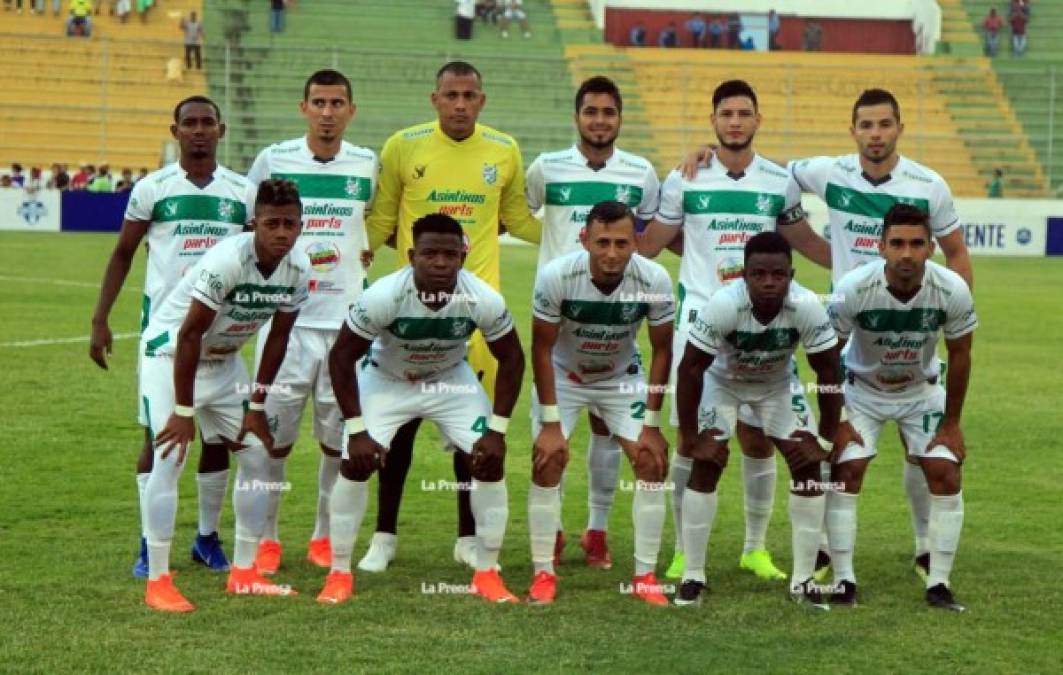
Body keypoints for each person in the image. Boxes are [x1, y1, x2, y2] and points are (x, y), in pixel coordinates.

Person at [639, 80, 831, 583]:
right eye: (727, 113)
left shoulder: (779, 180)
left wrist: (858, 262)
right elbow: (653, 243)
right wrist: (600, 245)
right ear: (713, 121)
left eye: (745, 113)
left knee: (760, 437)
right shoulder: (686, 177)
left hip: (762, 319)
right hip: (702, 318)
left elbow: (804, 240)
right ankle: (685, 553)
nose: (736, 122)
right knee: (693, 439)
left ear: (758, 120)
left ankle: (755, 548)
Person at [362, 61, 541, 572]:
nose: (460, 103)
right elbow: (380, 218)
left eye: (469, 95)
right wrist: (340, 255)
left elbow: (519, 221)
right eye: (451, 94)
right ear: (434, 98)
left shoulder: (504, 150)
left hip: (474, 315)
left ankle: (468, 536)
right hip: (407, 312)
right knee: (396, 436)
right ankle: (384, 536)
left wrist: (576, 232)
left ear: (482, 100)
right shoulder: (403, 145)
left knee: (474, 437)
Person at [318, 213, 526, 605]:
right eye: (430, 254)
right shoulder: (384, 295)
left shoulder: (481, 297)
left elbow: (513, 358)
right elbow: (342, 357)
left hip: (449, 379)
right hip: (387, 380)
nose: (441, 263)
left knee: (489, 459)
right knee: (354, 462)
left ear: (463, 257)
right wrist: (358, 429)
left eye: (450, 254)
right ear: (412, 255)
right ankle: (339, 572)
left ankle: (487, 572)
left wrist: (497, 430)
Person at [90, 96, 252, 580]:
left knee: (220, 437)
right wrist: (100, 320)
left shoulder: (242, 192)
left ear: (220, 130)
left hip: (220, 338)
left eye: (207, 123)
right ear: (175, 131)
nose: (199, 131)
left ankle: (206, 537)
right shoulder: (152, 188)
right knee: (158, 435)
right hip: (163, 335)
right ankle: (149, 541)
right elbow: (123, 253)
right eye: (190, 124)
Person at [139, 179, 311, 611]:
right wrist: (183, 410)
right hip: (171, 355)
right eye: (272, 223)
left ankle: (245, 572)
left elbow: (277, 340)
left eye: (289, 224)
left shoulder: (299, 268)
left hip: (224, 361)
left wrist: (256, 407)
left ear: (301, 225)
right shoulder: (228, 259)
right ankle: (158, 579)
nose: (281, 233)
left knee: (256, 456)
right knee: (169, 456)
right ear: (254, 223)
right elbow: (189, 331)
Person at [245, 69, 378, 576]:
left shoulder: (367, 164)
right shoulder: (273, 160)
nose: (327, 111)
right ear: (303, 108)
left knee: (335, 440)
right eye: (319, 102)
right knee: (272, 440)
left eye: (337, 102)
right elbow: (248, 227)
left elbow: (371, 221)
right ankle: (267, 538)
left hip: (345, 329)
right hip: (285, 324)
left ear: (351, 109)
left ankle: (323, 536)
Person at [525, 75, 660, 568]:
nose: (599, 120)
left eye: (608, 112)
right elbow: (524, 213)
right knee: (552, 437)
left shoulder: (642, 173)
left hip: (613, 323)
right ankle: (554, 531)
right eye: (591, 112)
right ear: (576, 117)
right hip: (559, 318)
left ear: (619, 119)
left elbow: (651, 229)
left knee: (608, 429)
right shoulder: (547, 167)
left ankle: (597, 531)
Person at [674, 231, 842, 608]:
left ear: (791, 273)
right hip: (724, 384)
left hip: (778, 386)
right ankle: (693, 576)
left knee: (808, 465)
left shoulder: (808, 306)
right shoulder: (723, 305)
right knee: (706, 461)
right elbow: (689, 371)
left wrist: (826, 441)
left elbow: (830, 374)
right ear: (744, 276)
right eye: (759, 274)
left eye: (778, 275)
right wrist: (691, 437)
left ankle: (803, 582)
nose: (769, 283)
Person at [826, 204, 976, 612]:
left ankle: (939, 583)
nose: (906, 254)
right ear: (881, 247)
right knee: (846, 468)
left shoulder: (951, 289)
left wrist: (952, 424)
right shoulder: (853, 288)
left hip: (921, 393)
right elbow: (826, 356)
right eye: (896, 244)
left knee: (945, 469)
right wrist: (837, 419)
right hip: (862, 391)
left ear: (931, 248)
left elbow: (960, 355)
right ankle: (843, 580)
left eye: (915, 244)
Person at [526, 201, 674, 605]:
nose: (612, 253)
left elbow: (662, 350)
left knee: (651, 460)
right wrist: (552, 425)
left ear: (635, 243)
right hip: (563, 375)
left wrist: (654, 424)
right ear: (584, 240)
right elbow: (540, 348)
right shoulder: (556, 276)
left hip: (620, 378)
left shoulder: (654, 278)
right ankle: (543, 573)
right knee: (548, 460)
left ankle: (645, 576)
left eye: (622, 243)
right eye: (603, 242)